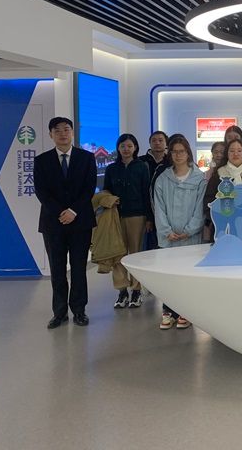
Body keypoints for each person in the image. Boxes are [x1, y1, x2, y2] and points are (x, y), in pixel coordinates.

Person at [33, 117, 97, 329]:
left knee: (79, 269)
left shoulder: (86, 158)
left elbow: (89, 188)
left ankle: (79, 310)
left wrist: (73, 211)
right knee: (57, 270)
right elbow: (41, 192)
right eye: (57, 130)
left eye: (66, 129)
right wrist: (61, 212)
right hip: (53, 223)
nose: (63, 134)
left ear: (72, 132)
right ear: (50, 134)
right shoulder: (42, 160)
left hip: (80, 222)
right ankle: (59, 313)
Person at [154, 137, 208, 330]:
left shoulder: (199, 179)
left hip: (190, 238)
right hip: (168, 239)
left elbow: (200, 208)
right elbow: (158, 208)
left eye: (181, 151)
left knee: (187, 276)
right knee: (169, 277)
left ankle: (186, 311)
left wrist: (189, 230)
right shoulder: (163, 179)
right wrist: (166, 231)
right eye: (174, 151)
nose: (178, 155)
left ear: (188, 153)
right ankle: (168, 311)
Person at [102, 134, 152, 310]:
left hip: (137, 216)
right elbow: (106, 191)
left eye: (130, 146)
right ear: (118, 148)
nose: (126, 149)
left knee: (135, 254)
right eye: (122, 146)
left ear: (135, 148)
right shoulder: (111, 169)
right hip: (115, 216)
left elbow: (146, 193)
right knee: (118, 253)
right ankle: (122, 290)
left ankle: (136, 290)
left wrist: (149, 218)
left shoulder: (142, 167)